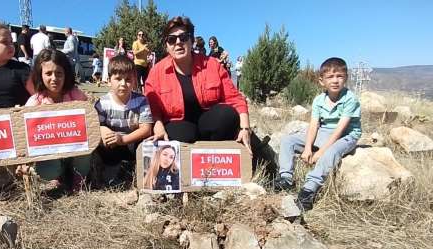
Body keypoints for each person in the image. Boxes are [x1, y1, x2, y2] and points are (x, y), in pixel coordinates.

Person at [144, 16, 254, 156]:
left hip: (208, 122)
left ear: (191, 40)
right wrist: (158, 125)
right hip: (180, 124)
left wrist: (245, 128)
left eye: (183, 37)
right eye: (172, 39)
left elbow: (235, 98)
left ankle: (217, 157)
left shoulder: (212, 64)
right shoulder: (156, 72)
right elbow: (152, 107)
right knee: (181, 135)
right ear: (166, 46)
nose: (178, 43)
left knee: (227, 115)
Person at [274, 57, 361, 211]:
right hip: (325, 131)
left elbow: (340, 129)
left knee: (331, 152)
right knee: (288, 140)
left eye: (339, 76)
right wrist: (308, 148)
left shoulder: (350, 99)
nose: (335, 81)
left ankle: (309, 189)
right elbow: (314, 125)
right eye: (330, 77)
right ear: (322, 81)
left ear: (345, 78)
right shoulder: (319, 100)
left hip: (346, 134)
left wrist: (320, 151)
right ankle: (286, 178)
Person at [24, 49, 90, 191]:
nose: (54, 78)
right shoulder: (34, 102)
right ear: (40, 75)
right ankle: (57, 176)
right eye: (48, 73)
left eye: (59, 73)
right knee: (48, 171)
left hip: (75, 150)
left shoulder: (76, 95)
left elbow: (89, 121)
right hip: (49, 152)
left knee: (86, 150)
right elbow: (26, 134)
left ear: (66, 74)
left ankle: (79, 179)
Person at [94, 55, 153, 187]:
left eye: (128, 80)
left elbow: (146, 129)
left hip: (131, 142)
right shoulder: (102, 103)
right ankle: (109, 169)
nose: (123, 84)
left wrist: (123, 140)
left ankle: (138, 171)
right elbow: (97, 125)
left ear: (134, 81)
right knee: (102, 142)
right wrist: (105, 132)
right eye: (118, 79)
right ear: (109, 80)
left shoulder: (141, 101)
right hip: (112, 144)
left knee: (145, 145)